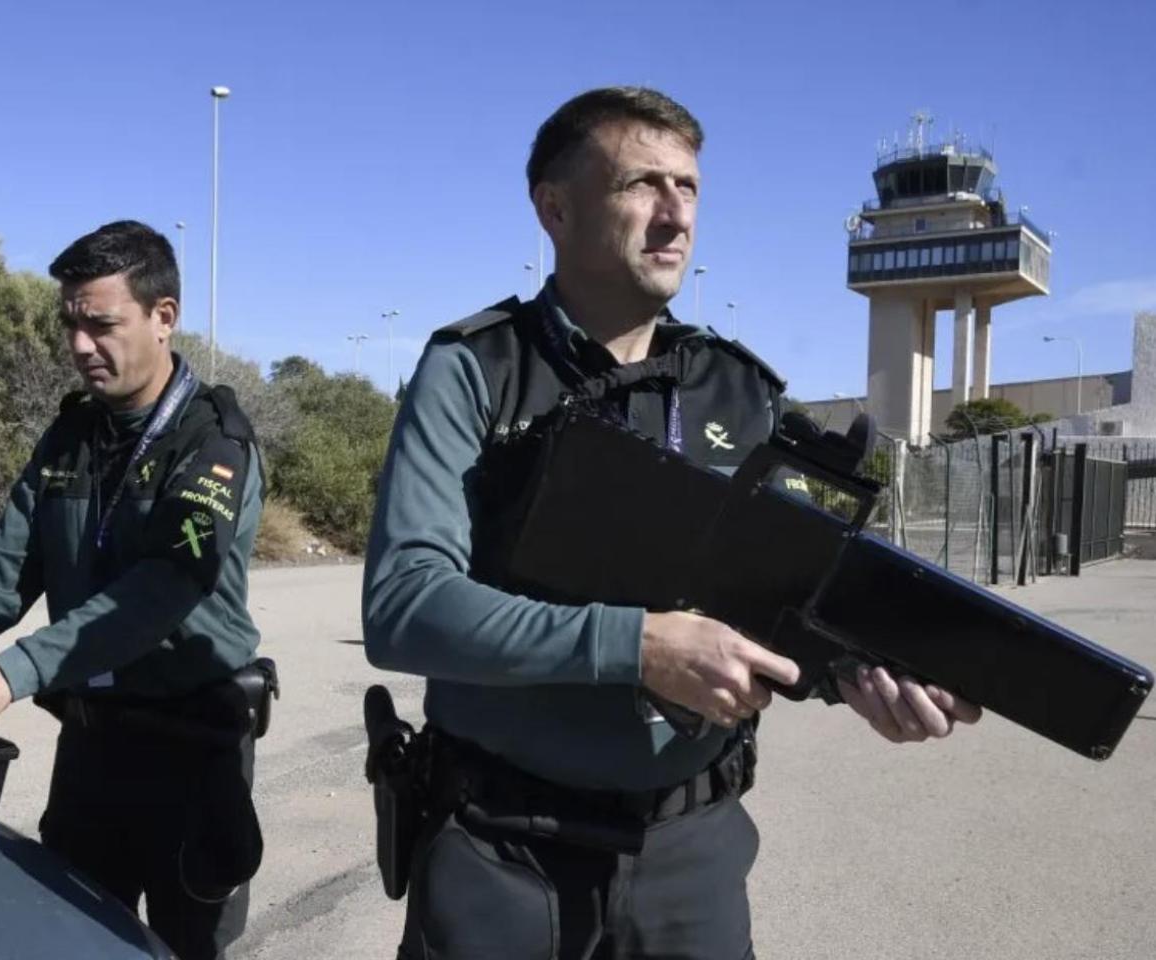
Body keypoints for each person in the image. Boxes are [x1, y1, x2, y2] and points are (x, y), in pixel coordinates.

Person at [361, 87, 981, 959]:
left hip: (693, 857)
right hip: (505, 853)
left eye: (688, 188)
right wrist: (639, 647)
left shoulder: (740, 391)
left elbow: (796, 594)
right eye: (642, 185)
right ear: (555, 207)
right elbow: (404, 608)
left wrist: (878, 672)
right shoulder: (476, 372)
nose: (674, 215)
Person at [0, 220, 271, 960]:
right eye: (69, 323)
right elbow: (3, 566)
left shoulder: (213, 444)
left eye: (100, 324)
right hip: (93, 751)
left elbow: (166, 587)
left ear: (162, 317)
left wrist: (10, 672)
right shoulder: (72, 438)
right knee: (62, 941)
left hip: (192, 754)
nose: (79, 346)